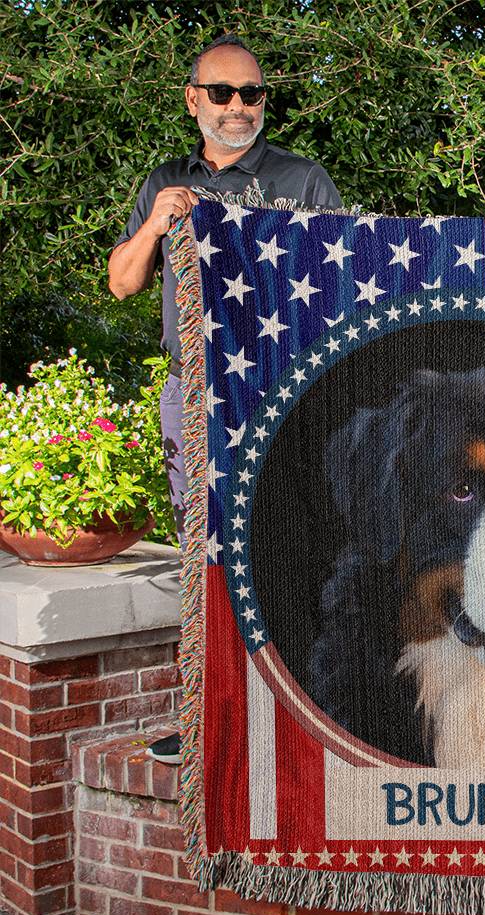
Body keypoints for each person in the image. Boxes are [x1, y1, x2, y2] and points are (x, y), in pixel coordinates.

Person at [109, 34, 342, 765]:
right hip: (194, 396)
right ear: (193, 100)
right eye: (222, 93)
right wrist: (156, 222)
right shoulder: (165, 183)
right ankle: (208, 722)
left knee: (290, 547)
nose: (238, 107)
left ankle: (297, 721)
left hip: (277, 392)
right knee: (199, 560)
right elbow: (121, 282)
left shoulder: (303, 181)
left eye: (251, 94)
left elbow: (337, 289)